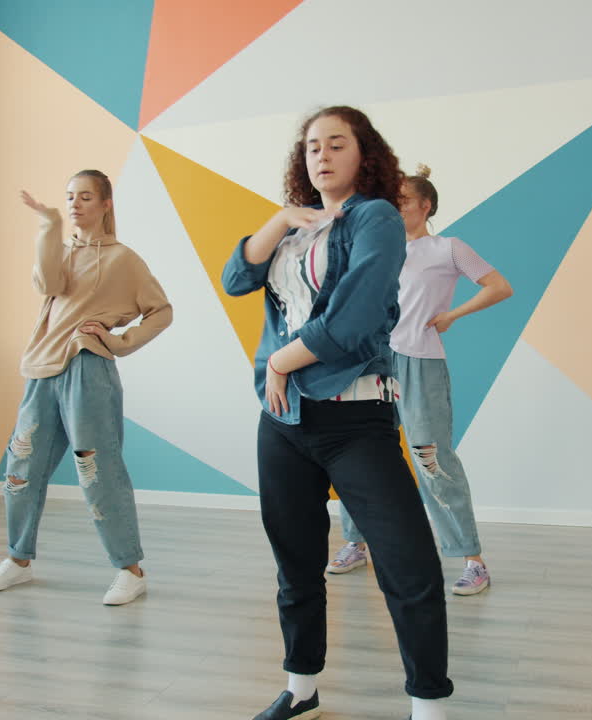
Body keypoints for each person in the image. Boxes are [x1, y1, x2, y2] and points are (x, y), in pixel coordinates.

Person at [222, 106, 453, 720]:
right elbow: (236, 278)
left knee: (408, 565)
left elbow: (353, 319)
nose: (321, 155)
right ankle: (301, 688)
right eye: (311, 146)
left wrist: (280, 362)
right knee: (296, 563)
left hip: (354, 420)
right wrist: (280, 219)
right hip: (284, 423)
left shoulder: (376, 217)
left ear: (363, 153)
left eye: (336, 143)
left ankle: (429, 705)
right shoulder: (297, 227)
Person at [0, 169, 172, 607]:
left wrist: (119, 342)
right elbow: (47, 285)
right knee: (21, 470)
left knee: (97, 470)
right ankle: (18, 559)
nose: (75, 204)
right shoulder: (59, 251)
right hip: (42, 367)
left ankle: (130, 570)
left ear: (105, 204)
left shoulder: (124, 260)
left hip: (88, 368)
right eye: (70, 197)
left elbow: (161, 310)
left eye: (85, 196)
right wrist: (48, 225)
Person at [326, 165, 513, 597]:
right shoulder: (375, 247)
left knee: (431, 458)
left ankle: (472, 560)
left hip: (419, 363)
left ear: (426, 206)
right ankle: (355, 543)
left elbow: (499, 286)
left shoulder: (448, 248)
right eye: (392, 200)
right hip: (372, 363)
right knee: (359, 454)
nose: (396, 207)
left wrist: (452, 315)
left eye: (405, 200)